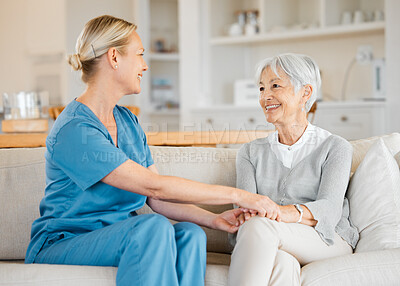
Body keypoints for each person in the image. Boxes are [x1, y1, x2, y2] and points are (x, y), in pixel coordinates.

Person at [24, 15, 281, 286]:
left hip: (116, 235)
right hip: (64, 242)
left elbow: (157, 201)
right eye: (139, 54)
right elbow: (155, 187)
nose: (144, 66)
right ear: (114, 57)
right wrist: (240, 196)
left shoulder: (128, 121)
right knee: (153, 228)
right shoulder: (75, 129)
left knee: (191, 235)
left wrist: (215, 220)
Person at [228, 53, 359, 286]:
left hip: (326, 239)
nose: (265, 97)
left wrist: (279, 212)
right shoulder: (249, 153)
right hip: (273, 238)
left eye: (275, 86)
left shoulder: (336, 147)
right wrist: (265, 216)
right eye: (261, 89)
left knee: (260, 226)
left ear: (305, 93)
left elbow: (329, 210)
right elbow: (244, 210)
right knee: (281, 262)